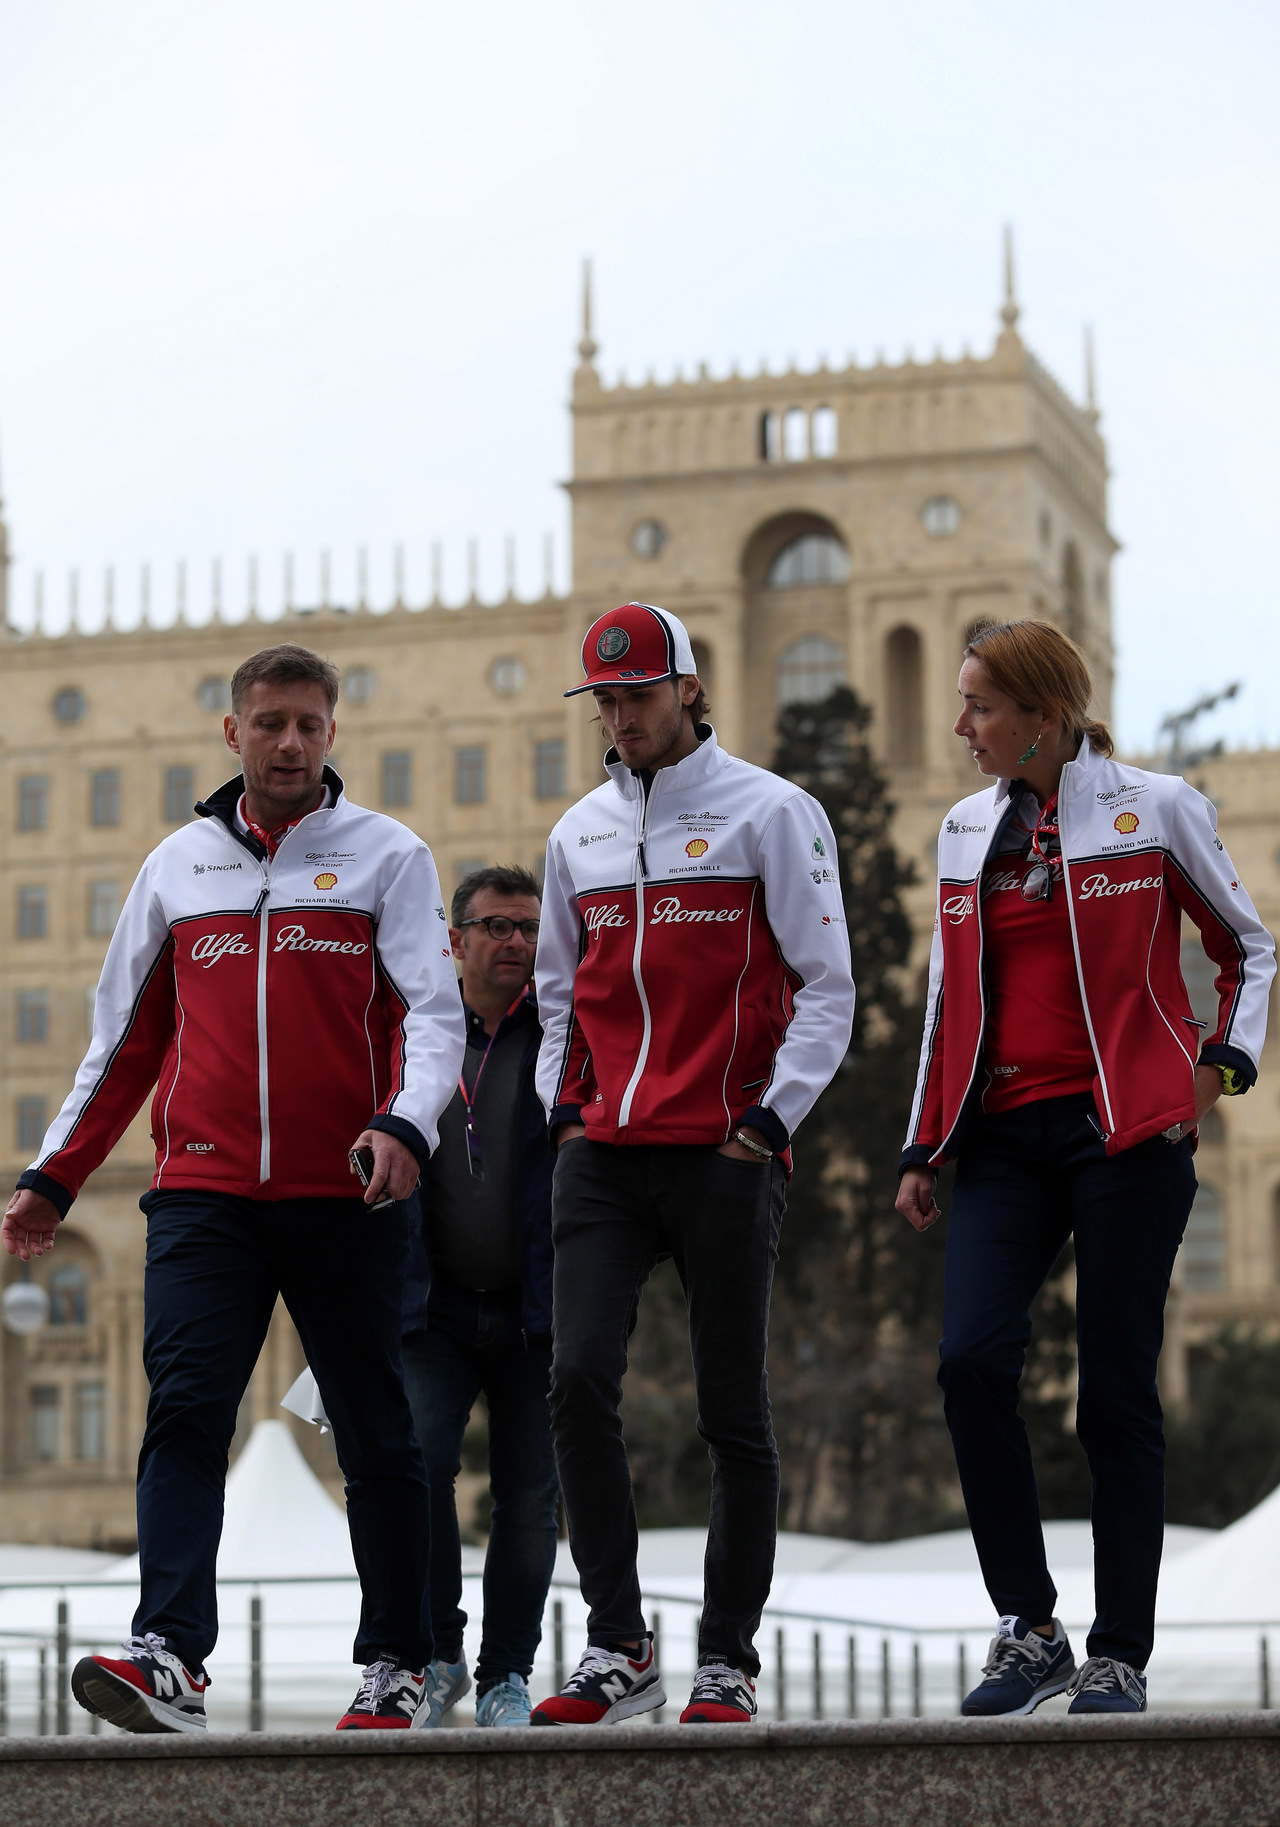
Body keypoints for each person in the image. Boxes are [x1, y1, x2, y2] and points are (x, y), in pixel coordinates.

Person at [0, 643, 465, 1735]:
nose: (290, 742)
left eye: (309, 723)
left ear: (332, 733)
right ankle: (170, 1656)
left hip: (343, 1192)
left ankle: (395, 1660)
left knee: (375, 1432)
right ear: (233, 734)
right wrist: (52, 1178)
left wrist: (404, 1123)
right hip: (202, 1193)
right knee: (187, 1410)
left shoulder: (388, 858)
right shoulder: (176, 867)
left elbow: (434, 1017)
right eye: (270, 723)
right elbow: (120, 1045)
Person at [896, 618, 1275, 1716]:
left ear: (1041, 718)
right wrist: (925, 1141)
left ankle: (1117, 1651)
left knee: (1113, 1391)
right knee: (970, 1362)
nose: (959, 724)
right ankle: (1028, 1628)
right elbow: (944, 998)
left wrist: (1214, 1075)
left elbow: (1245, 945)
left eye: (977, 705)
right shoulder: (963, 828)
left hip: (1124, 1133)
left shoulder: (1154, 808)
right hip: (1004, 1139)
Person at [529, 601, 856, 1727]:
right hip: (604, 1157)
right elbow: (556, 993)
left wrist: (766, 1125)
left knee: (732, 1411)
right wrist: (563, 1117)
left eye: (638, 694)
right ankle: (617, 1646)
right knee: (574, 1384)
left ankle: (726, 1659)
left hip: (724, 1151)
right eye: (604, 700)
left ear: (687, 688)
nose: (621, 717)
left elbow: (827, 985)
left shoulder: (774, 811)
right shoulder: (575, 831)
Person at [399, 864, 559, 1729]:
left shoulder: (563, 1035)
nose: (517, 944)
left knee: (529, 1498)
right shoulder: (415, 1036)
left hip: (538, 1308)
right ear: (454, 942)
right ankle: (438, 1655)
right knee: (416, 1469)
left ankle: (506, 1675)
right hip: (434, 1306)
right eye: (497, 927)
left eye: (531, 928)